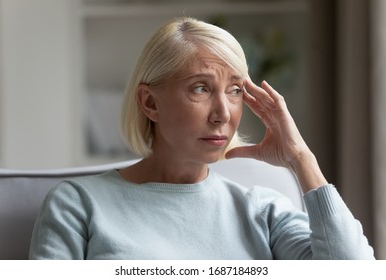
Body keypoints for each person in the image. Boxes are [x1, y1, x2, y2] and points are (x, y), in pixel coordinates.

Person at [29, 17, 374, 260]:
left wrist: (301, 157)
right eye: (200, 88)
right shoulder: (77, 205)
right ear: (150, 103)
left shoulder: (263, 211)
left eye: (235, 90)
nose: (223, 112)